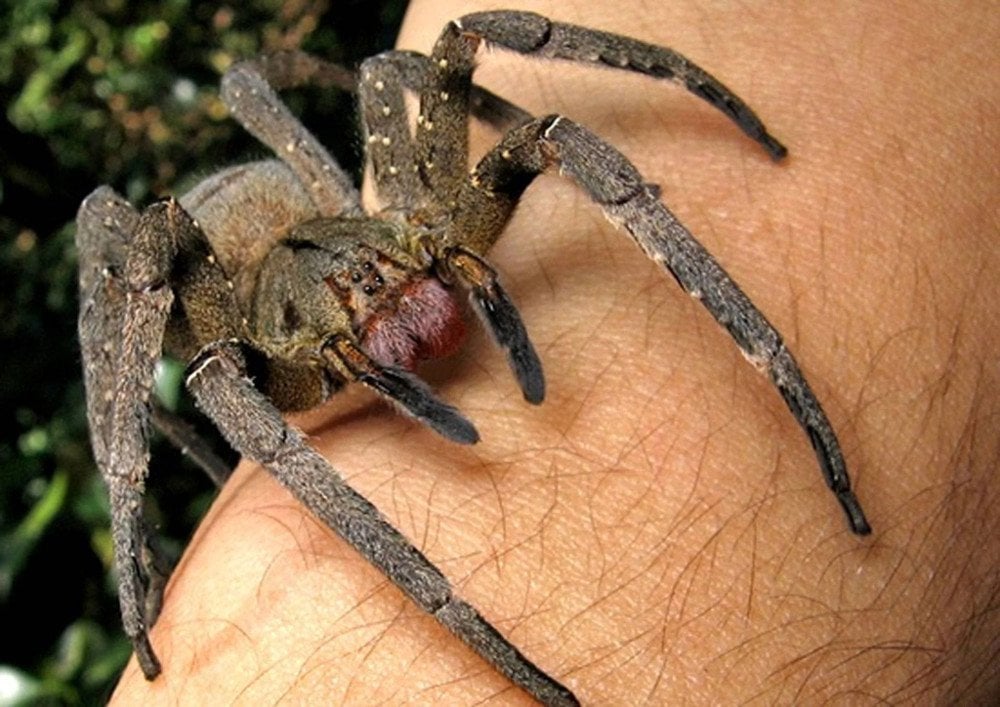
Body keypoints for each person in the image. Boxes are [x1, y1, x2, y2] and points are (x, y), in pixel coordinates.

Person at [112, 2, 999, 702]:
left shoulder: (426, 210)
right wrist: (133, 532)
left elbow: (428, 68)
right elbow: (173, 332)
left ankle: (790, 388)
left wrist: (539, 109)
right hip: (245, 291)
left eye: (383, 272)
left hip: (327, 199)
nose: (380, 292)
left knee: (464, 73)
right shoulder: (248, 357)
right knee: (140, 259)